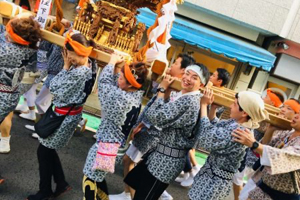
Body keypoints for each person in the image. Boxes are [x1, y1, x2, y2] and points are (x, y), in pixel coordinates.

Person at [110, 53, 195, 200]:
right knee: (130, 162)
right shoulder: (171, 83)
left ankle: (132, 195)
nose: (172, 65)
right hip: (148, 130)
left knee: (129, 161)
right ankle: (128, 193)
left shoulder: (178, 90)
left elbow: (162, 114)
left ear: (183, 71)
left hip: (151, 133)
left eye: (176, 63)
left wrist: (144, 124)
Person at [124, 63, 210, 200]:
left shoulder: (190, 101)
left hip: (166, 161)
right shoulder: (185, 95)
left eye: (194, 77)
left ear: (201, 85)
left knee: (144, 195)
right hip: (160, 155)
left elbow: (156, 117)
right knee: (133, 180)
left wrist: (162, 90)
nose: (187, 78)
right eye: (187, 73)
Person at [26, 32, 94, 200]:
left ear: (78, 53)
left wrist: (64, 67)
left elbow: (54, 86)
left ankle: (45, 192)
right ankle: (60, 183)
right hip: (67, 115)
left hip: (62, 117)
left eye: (68, 53)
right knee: (48, 150)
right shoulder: (91, 65)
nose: (67, 57)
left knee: (44, 151)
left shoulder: (78, 72)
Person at [82, 53, 148, 200]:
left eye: (121, 77)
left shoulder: (120, 98)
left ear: (131, 83)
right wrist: (117, 68)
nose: (118, 77)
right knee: (97, 178)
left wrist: (111, 62)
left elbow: (104, 84)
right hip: (118, 146)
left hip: (105, 147)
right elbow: (114, 85)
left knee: (89, 179)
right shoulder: (135, 96)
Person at [188, 90, 269, 200]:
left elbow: (206, 138)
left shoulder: (240, 131)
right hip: (210, 178)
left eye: (234, 104)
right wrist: (213, 109)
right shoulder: (237, 123)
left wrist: (203, 105)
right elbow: (216, 127)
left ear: (244, 113)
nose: (231, 106)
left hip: (213, 183)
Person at [177, 67, 231, 187]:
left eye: (213, 76)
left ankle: (193, 169)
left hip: (204, 123)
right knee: (188, 148)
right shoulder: (211, 88)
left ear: (220, 81)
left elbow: (213, 112)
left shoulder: (220, 94)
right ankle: (188, 172)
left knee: (187, 147)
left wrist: (206, 101)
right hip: (199, 121)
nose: (210, 77)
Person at [238, 98, 300, 200]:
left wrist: (254, 143)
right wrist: (271, 129)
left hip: (280, 196)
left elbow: (282, 157)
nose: (296, 116)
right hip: (261, 186)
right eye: (298, 113)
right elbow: (266, 146)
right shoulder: (287, 134)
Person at [232, 88, 284, 200]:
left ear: (272, 103)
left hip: (255, 155)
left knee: (239, 179)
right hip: (252, 152)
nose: (263, 98)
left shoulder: (273, 117)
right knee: (242, 181)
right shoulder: (264, 112)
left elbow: (264, 134)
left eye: (266, 97)